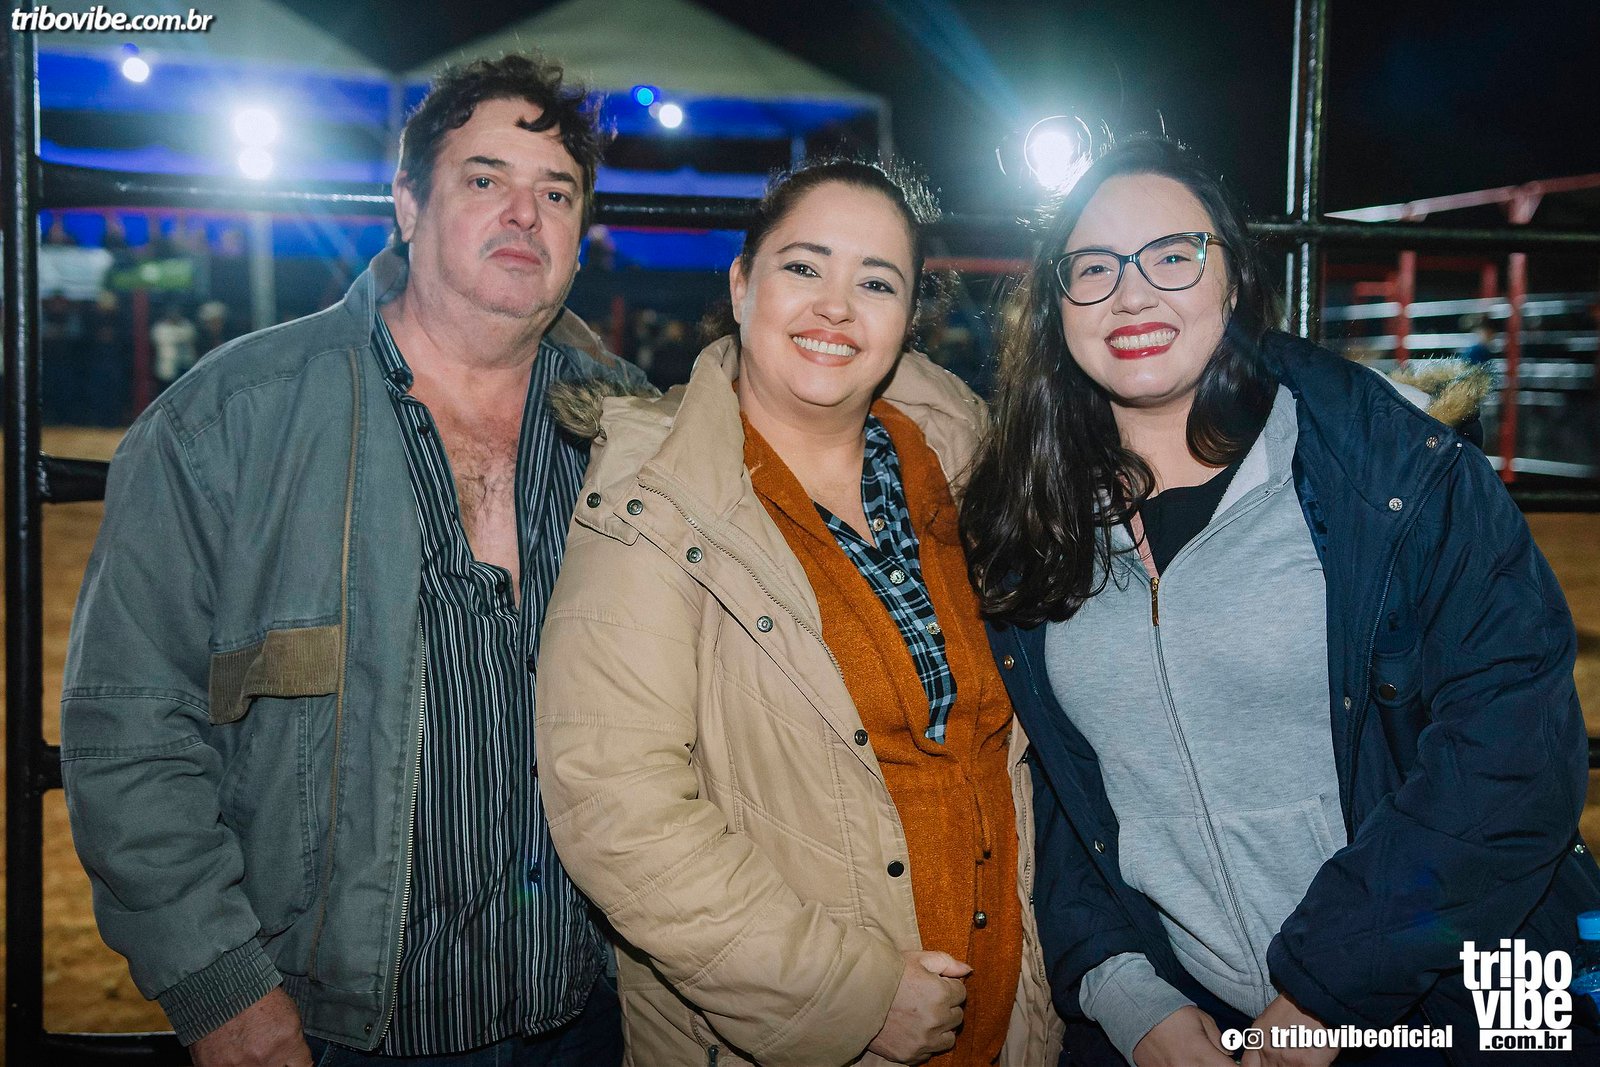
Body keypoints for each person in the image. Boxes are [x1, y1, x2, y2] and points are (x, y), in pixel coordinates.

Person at [959, 136, 1600, 1067]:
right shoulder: (1032, 519)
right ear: (1058, 307)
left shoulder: (1390, 474)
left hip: (1433, 1005)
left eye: (1173, 254)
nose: (1131, 294)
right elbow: (1067, 797)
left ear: (1233, 278)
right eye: (1092, 267)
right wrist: (1132, 997)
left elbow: (1514, 753)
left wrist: (1324, 991)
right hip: (1191, 1021)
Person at [61, 53, 647, 1067]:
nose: (524, 213)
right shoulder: (228, 422)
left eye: (556, 192)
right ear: (407, 205)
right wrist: (221, 989)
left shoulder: (633, 432)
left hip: (592, 1010)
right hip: (336, 1027)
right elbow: (129, 723)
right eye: (485, 179)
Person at [535, 158, 1061, 1066]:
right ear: (743, 285)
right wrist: (850, 998)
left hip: (1008, 1025)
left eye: (877, 282)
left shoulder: (961, 462)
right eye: (805, 266)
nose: (836, 306)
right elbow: (615, 804)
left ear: (910, 317)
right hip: (807, 1035)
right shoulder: (655, 501)